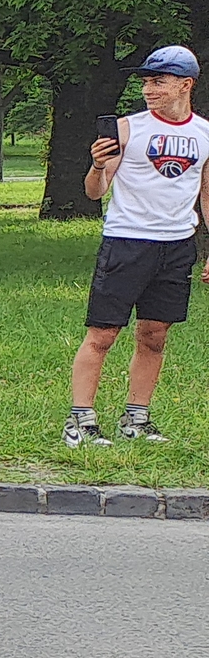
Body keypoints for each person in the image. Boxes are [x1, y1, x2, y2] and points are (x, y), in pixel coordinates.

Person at [67, 45, 207, 447]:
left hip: (177, 245)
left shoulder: (204, 134)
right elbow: (95, 192)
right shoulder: (128, 129)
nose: (149, 89)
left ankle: (137, 418)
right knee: (103, 333)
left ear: (185, 84)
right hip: (127, 241)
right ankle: (81, 420)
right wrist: (97, 165)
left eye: (158, 81)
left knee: (154, 334)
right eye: (145, 81)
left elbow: (206, 194)